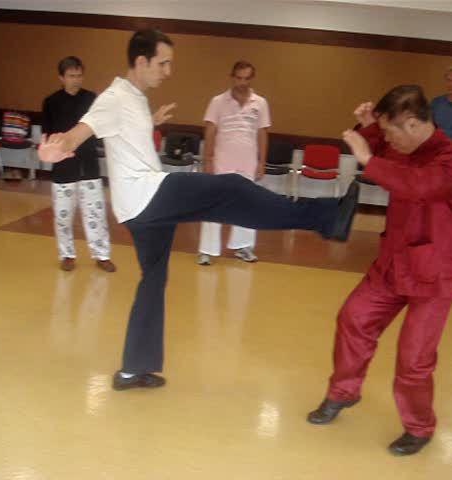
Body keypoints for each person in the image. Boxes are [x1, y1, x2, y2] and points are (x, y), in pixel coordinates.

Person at [37, 29, 359, 391]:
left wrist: (152, 121)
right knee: (232, 187)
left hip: (138, 206)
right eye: (163, 63)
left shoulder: (134, 97)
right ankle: (327, 217)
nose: (168, 71)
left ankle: (133, 369)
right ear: (140, 61)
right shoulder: (113, 97)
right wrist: (55, 147)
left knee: (153, 279)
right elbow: (81, 131)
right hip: (147, 196)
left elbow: (123, 134)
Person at [307, 85, 452, 456]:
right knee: (354, 318)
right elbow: (382, 150)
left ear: (413, 123)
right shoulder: (402, 145)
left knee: (414, 359)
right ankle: (343, 393)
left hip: (435, 274)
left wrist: (369, 157)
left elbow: (417, 185)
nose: (388, 140)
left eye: (392, 131)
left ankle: (419, 426)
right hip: (395, 262)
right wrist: (369, 127)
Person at [42, 56, 115, 273]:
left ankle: (101, 254)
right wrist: (57, 150)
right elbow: (46, 136)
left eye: (79, 75)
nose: (76, 80)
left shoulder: (92, 98)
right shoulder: (50, 102)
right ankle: (67, 254)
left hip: (89, 166)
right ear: (61, 77)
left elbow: (100, 128)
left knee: (96, 214)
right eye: (71, 76)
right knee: (63, 215)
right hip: (63, 168)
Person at [196, 60, 270, 265]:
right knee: (214, 204)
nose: (242, 82)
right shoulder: (217, 101)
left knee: (246, 205)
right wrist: (208, 159)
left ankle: (243, 247)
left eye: (247, 78)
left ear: (251, 79)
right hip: (221, 162)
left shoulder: (260, 103)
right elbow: (210, 130)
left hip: (248, 163)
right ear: (232, 77)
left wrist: (262, 162)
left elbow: (262, 133)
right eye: (239, 78)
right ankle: (206, 250)